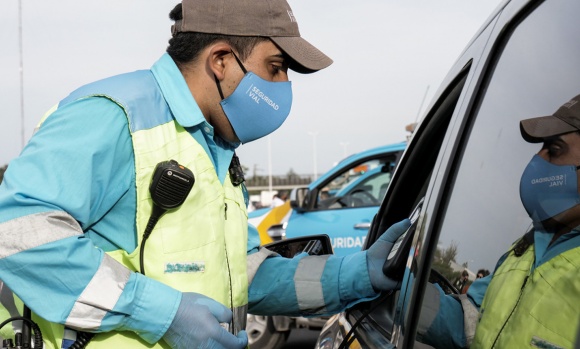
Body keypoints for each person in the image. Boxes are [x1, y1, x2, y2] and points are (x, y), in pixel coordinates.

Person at [0, 1, 413, 348]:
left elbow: (245, 274)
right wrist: (162, 314)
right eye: (276, 67)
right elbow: (15, 234)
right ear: (220, 60)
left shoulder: (213, 147)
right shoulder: (116, 115)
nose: (284, 84)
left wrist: (357, 274)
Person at [414, 94, 580, 348]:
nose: (538, 160)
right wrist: (394, 288)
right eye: (542, 148)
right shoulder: (525, 248)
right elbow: (471, 322)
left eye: (554, 150)